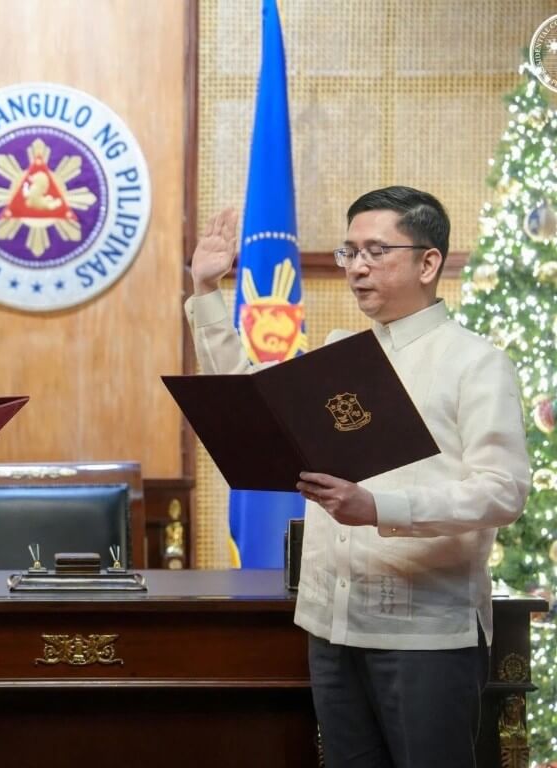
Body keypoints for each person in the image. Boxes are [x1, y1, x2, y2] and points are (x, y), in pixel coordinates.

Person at [186, 186, 530, 767]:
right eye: (349, 253)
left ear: (428, 262)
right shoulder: (340, 352)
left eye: (376, 250)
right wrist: (206, 291)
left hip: (425, 634)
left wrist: (379, 507)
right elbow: (247, 400)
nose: (357, 267)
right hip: (332, 622)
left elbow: (503, 490)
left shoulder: (476, 362)